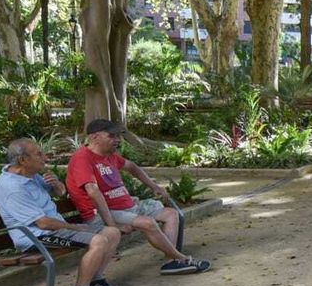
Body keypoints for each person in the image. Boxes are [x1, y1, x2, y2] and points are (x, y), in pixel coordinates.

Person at [66, 118, 212, 275]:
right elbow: (93, 192)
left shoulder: (110, 156)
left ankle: (171, 262)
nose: (117, 140)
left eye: (118, 136)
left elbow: (132, 167)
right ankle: (180, 258)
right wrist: (112, 226)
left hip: (127, 208)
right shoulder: (82, 158)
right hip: (104, 213)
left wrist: (154, 186)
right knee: (148, 223)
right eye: (112, 136)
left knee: (171, 214)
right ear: (95, 137)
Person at [0, 138, 122, 286]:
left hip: (55, 229)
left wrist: (56, 185)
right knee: (98, 241)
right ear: (23, 160)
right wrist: (74, 227)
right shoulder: (12, 188)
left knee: (112, 233)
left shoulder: (29, 174)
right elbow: (43, 223)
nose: (45, 158)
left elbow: (60, 192)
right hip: (36, 237)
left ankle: (96, 282)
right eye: (39, 154)